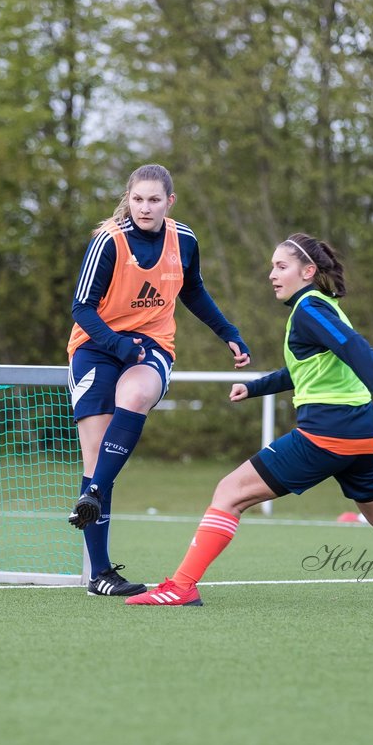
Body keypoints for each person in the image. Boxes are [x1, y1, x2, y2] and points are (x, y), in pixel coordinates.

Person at [126, 233, 373, 607]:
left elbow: (359, 350)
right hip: (361, 437)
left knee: (229, 493)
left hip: (328, 434)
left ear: (307, 271)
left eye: (281, 266)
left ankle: (180, 588)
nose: (272, 275)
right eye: (271, 268)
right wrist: (255, 387)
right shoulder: (317, 310)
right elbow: (307, 369)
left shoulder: (310, 308)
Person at [66, 163, 251, 597]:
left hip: (150, 344)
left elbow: (193, 290)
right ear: (127, 199)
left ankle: (92, 493)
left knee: (138, 391)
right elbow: (82, 309)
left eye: (153, 200)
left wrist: (229, 333)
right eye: (137, 199)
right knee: (95, 456)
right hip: (96, 345)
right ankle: (100, 576)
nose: (144, 208)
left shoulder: (183, 239)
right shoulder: (109, 242)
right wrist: (117, 346)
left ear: (170, 202)